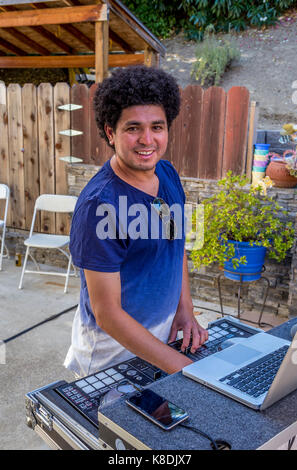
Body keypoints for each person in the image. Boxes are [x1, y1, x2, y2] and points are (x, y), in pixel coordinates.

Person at [64, 65, 208, 378]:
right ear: (111, 132)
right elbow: (107, 315)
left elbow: (175, 244)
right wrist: (184, 369)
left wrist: (185, 310)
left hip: (163, 341)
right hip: (110, 358)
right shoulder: (100, 206)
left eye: (157, 127)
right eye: (133, 128)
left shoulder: (167, 175)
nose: (147, 139)